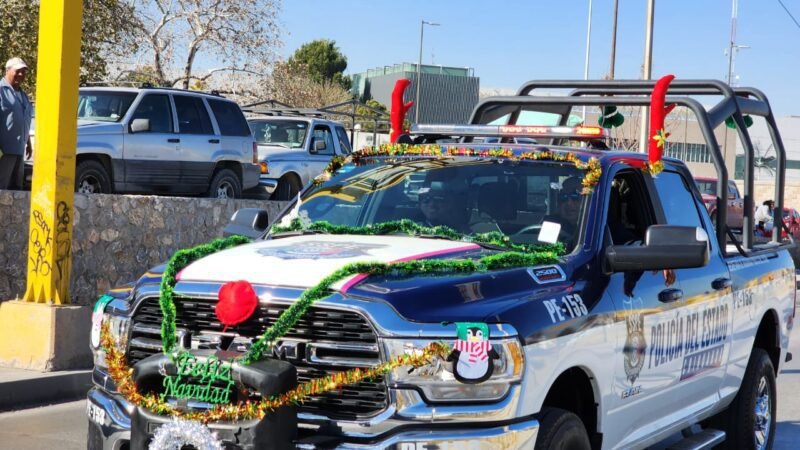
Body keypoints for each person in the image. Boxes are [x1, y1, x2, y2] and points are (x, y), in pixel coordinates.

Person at [0, 58, 33, 190]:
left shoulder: (22, 94)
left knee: (16, 189)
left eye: (24, 72)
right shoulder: (1, 91)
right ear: (7, 71)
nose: (21, 74)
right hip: (4, 152)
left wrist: (28, 141)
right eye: (18, 71)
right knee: (2, 188)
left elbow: (21, 120)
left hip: (19, 150)